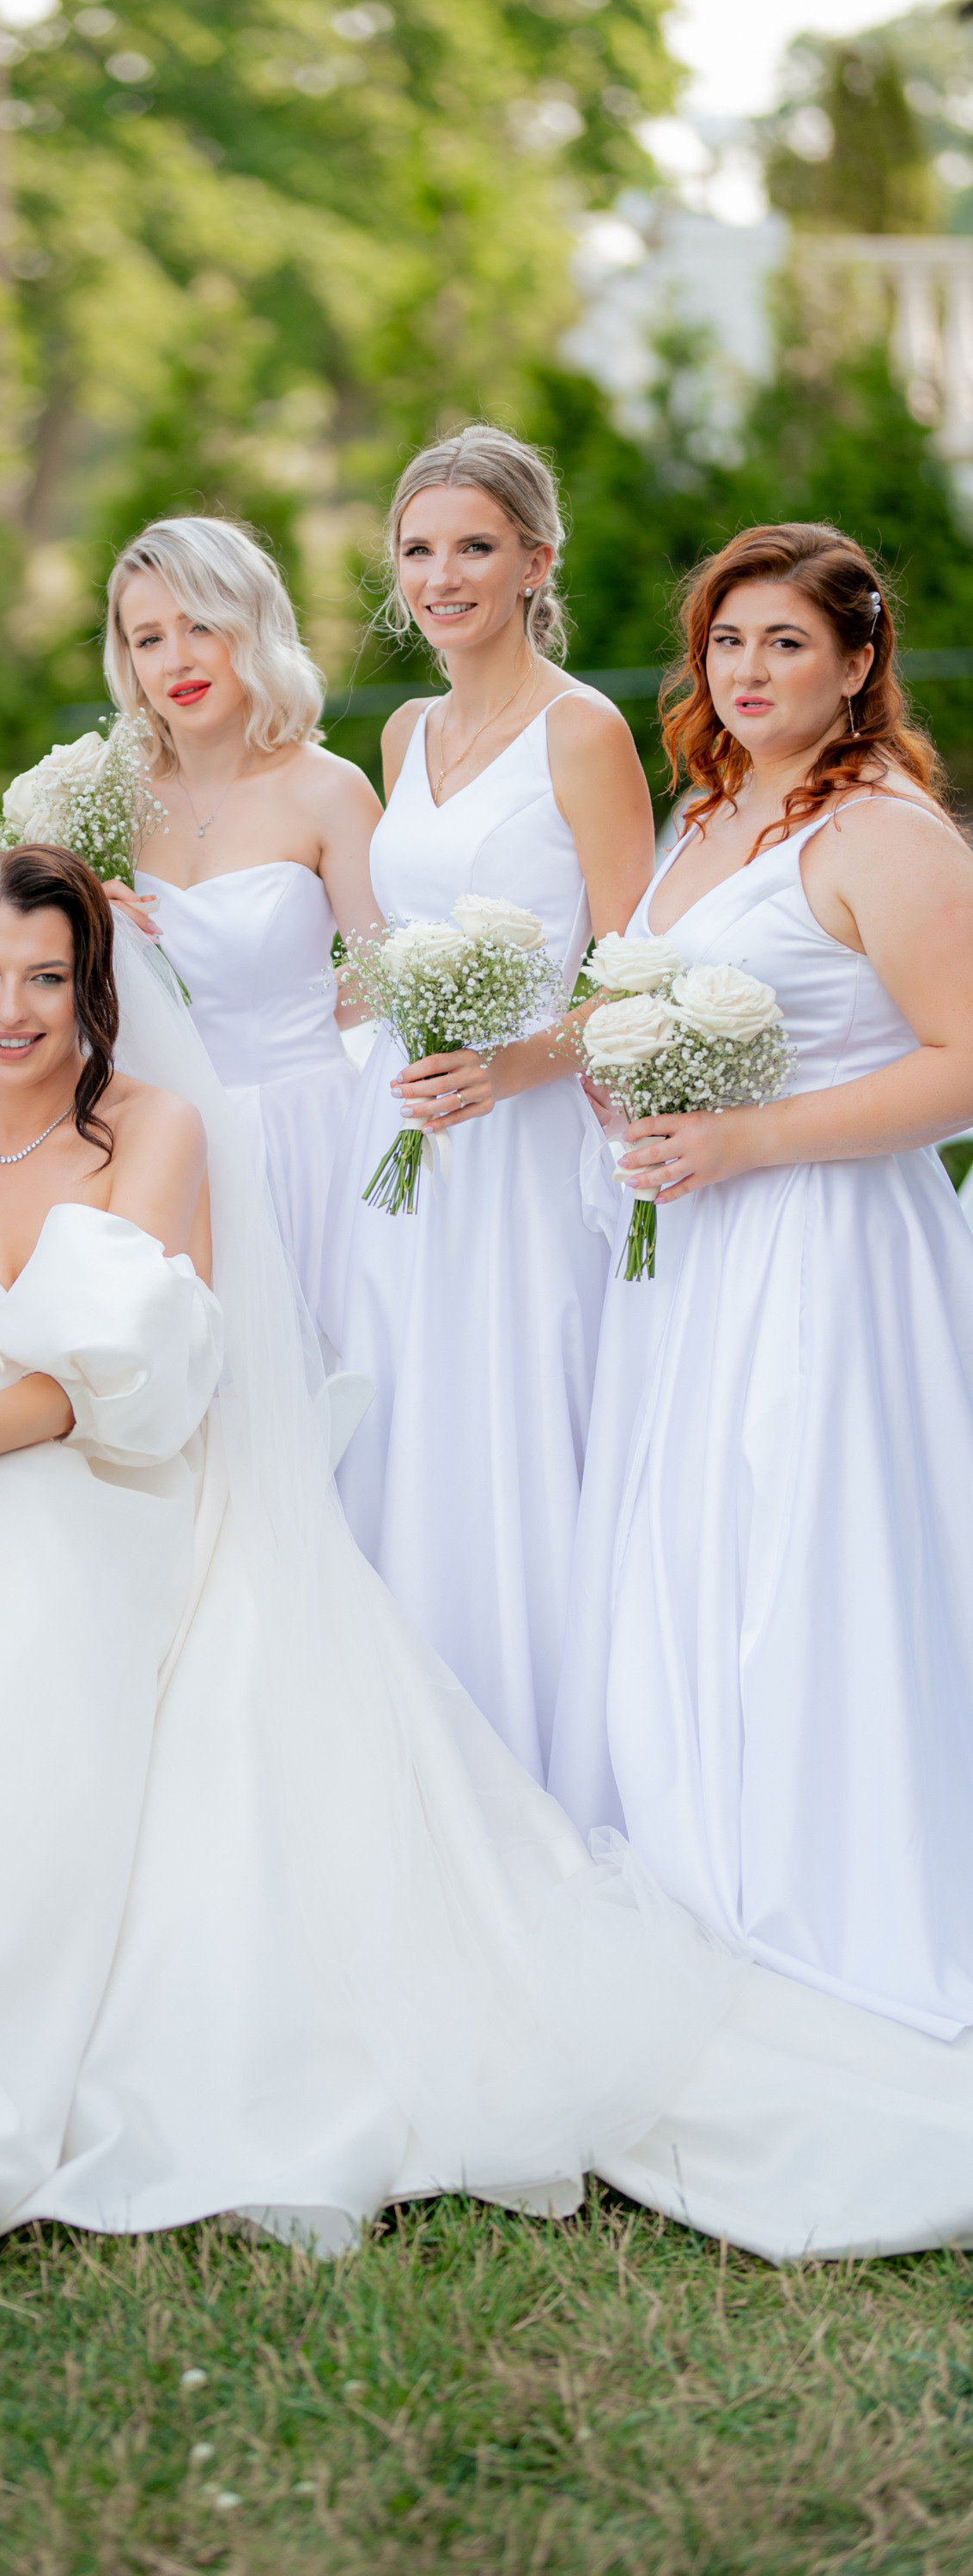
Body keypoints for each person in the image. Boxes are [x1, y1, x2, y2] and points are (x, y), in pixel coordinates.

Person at [0, 844, 973, 2287]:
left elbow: (109, 1385)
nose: (10, 1011)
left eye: (46, 978)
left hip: (120, 1473)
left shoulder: (152, 1133)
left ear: (94, 989)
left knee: (19, 1562)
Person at [550, 523, 973, 2043]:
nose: (747, 670)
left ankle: (823, 1896)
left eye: (786, 642)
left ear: (858, 665)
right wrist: (623, 1076)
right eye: (727, 641)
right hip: (693, 1255)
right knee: (692, 1550)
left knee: (805, 1559)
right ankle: (697, 1868)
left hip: (829, 1255)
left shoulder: (884, 835)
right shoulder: (708, 814)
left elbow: (964, 1064)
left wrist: (751, 1138)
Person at [318, 426, 658, 1782]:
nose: (442, 575)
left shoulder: (584, 732)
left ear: (536, 561)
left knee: (508, 1420)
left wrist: (508, 1069)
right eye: (418, 549)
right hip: (398, 1126)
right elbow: (372, 945)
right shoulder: (403, 732)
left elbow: (636, 976)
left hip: (520, 1140)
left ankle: (528, 1753)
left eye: (474, 546)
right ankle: (405, 1749)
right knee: (399, 1409)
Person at [100, 517, 382, 1322]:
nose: (176, 661)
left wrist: (288, 1022)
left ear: (250, 626)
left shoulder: (328, 789)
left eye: (200, 626)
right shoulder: (112, 798)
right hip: (159, 1143)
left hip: (302, 1135)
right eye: (148, 639)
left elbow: (386, 974)